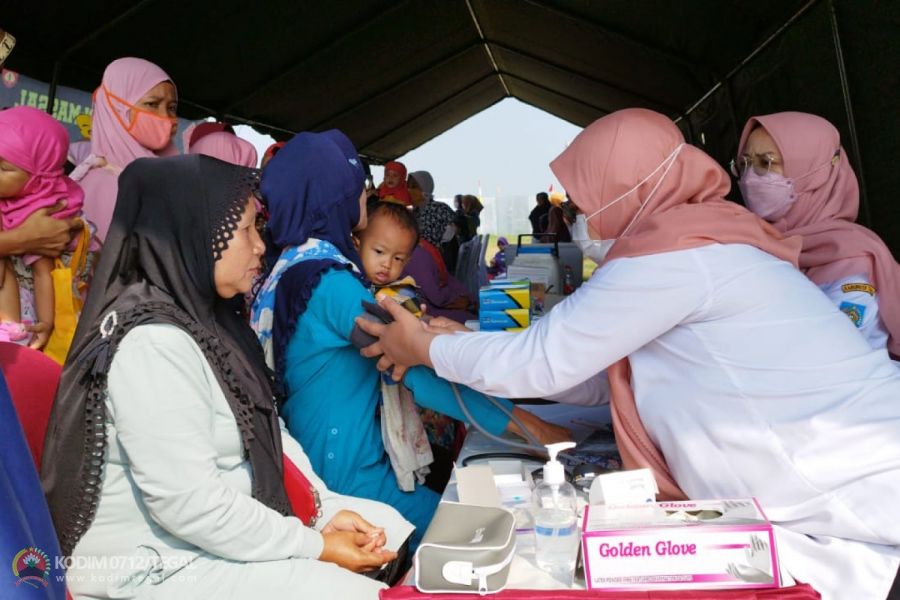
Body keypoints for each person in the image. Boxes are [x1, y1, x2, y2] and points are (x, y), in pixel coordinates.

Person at [358, 108, 900, 599]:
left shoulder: (677, 258)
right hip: (835, 488)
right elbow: (602, 373)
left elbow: (545, 360)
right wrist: (453, 343)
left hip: (851, 486)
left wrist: (425, 347)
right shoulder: (699, 240)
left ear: (626, 190)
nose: (580, 218)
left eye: (588, 201)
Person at [41, 155, 412, 599]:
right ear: (195, 235)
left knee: (392, 535)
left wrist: (320, 508)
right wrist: (313, 544)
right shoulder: (152, 344)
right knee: (349, 591)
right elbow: (190, 507)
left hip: (213, 535)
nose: (261, 245)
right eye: (246, 230)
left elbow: (269, 435)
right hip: (156, 565)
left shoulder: (213, 323)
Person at [250, 131, 569, 550]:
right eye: (357, 191)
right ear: (333, 197)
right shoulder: (331, 284)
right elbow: (414, 368)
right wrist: (535, 429)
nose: (366, 198)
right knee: (494, 538)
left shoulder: (287, 266)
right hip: (351, 484)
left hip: (315, 467)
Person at [736, 112, 899, 359]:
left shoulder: (852, 259)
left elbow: (831, 357)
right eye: (745, 163)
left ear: (817, 171)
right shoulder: (755, 244)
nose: (749, 178)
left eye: (766, 162)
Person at [0, 107, 89, 347]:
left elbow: (43, 272)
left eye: (3, 169)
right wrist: (21, 239)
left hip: (19, 329)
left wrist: (46, 324)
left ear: (37, 176)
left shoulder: (41, 210)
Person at [72, 57, 178, 242]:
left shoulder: (170, 173)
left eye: (172, 108)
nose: (165, 117)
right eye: (152, 104)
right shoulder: (104, 184)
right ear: (116, 107)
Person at [402, 200, 476, 323]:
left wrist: (470, 299)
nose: (452, 228)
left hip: (435, 307)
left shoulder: (430, 248)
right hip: (428, 312)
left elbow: (448, 279)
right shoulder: (417, 252)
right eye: (448, 223)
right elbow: (436, 296)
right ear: (435, 223)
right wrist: (464, 301)